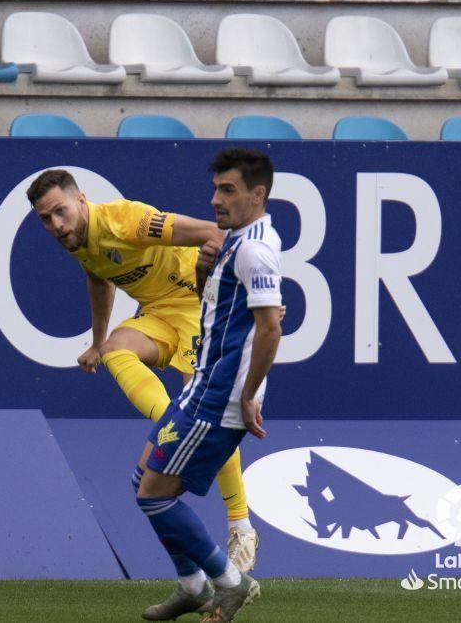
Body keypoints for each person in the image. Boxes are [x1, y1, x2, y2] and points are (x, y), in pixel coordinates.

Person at [26, 169, 259, 573]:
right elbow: (99, 279)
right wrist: (97, 342)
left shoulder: (125, 220)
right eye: (46, 219)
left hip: (197, 307)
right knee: (117, 349)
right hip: (157, 315)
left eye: (60, 212)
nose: (56, 225)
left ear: (81, 199)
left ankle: (241, 525)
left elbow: (214, 234)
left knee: (210, 416)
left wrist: (254, 295)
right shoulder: (78, 239)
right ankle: (173, 418)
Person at [135, 148, 282, 622]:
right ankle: (192, 584)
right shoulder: (236, 242)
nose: (216, 200)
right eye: (216, 188)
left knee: (154, 494)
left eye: (229, 190)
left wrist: (247, 394)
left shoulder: (255, 250)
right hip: (200, 388)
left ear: (257, 194)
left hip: (217, 400)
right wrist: (202, 274)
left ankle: (228, 582)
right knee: (144, 477)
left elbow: (270, 327)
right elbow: (227, 316)